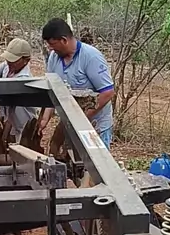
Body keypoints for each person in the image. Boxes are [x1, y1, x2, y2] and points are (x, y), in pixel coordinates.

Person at [39, 18, 115, 149]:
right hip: (71, 124)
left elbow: (107, 92)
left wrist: (81, 119)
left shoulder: (91, 57)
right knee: (68, 157)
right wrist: (44, 119)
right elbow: (53, 90)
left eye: (52, 44)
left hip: (95, 126)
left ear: (64, 40)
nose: (50, 48)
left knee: (96, 160)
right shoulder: (54, 58)